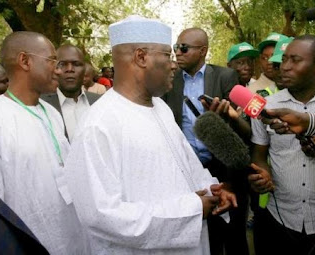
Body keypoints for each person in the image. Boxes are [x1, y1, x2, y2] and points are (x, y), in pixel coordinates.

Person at [65, 15, 237, 255]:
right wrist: (192, 208)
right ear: (141, 57)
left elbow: (186, 165)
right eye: (167, 55)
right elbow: (100, 215)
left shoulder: (160, 107)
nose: (174, 63)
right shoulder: (99, 124)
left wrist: (212, 189)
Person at [249, 35, 315, 255]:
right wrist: (261, 174)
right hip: (280, 219)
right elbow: (259, 155)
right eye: (284, 60)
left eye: (295, 60)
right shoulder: (266, 107)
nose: (285, 67)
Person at [0, 31, 88, 254]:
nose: (58, 69)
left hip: (76, 240)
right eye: (51, 61)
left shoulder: (50, 112)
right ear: (25, 61)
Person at [163, 27, 242, 255]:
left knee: (229, 231)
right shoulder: (171, 79)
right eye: (176, 48)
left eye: (184, 48)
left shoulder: (225, 76)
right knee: (200, 231)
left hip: (220, 167)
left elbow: (239, 126)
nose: (178, 52)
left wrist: (225, 117)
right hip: (186, 169)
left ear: (203, 50)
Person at [41, 45, 101, 141]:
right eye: (62, 64)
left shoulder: (99, 102)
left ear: (84, 69)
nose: (69, 69)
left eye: (76, 64)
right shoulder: (41, 105)